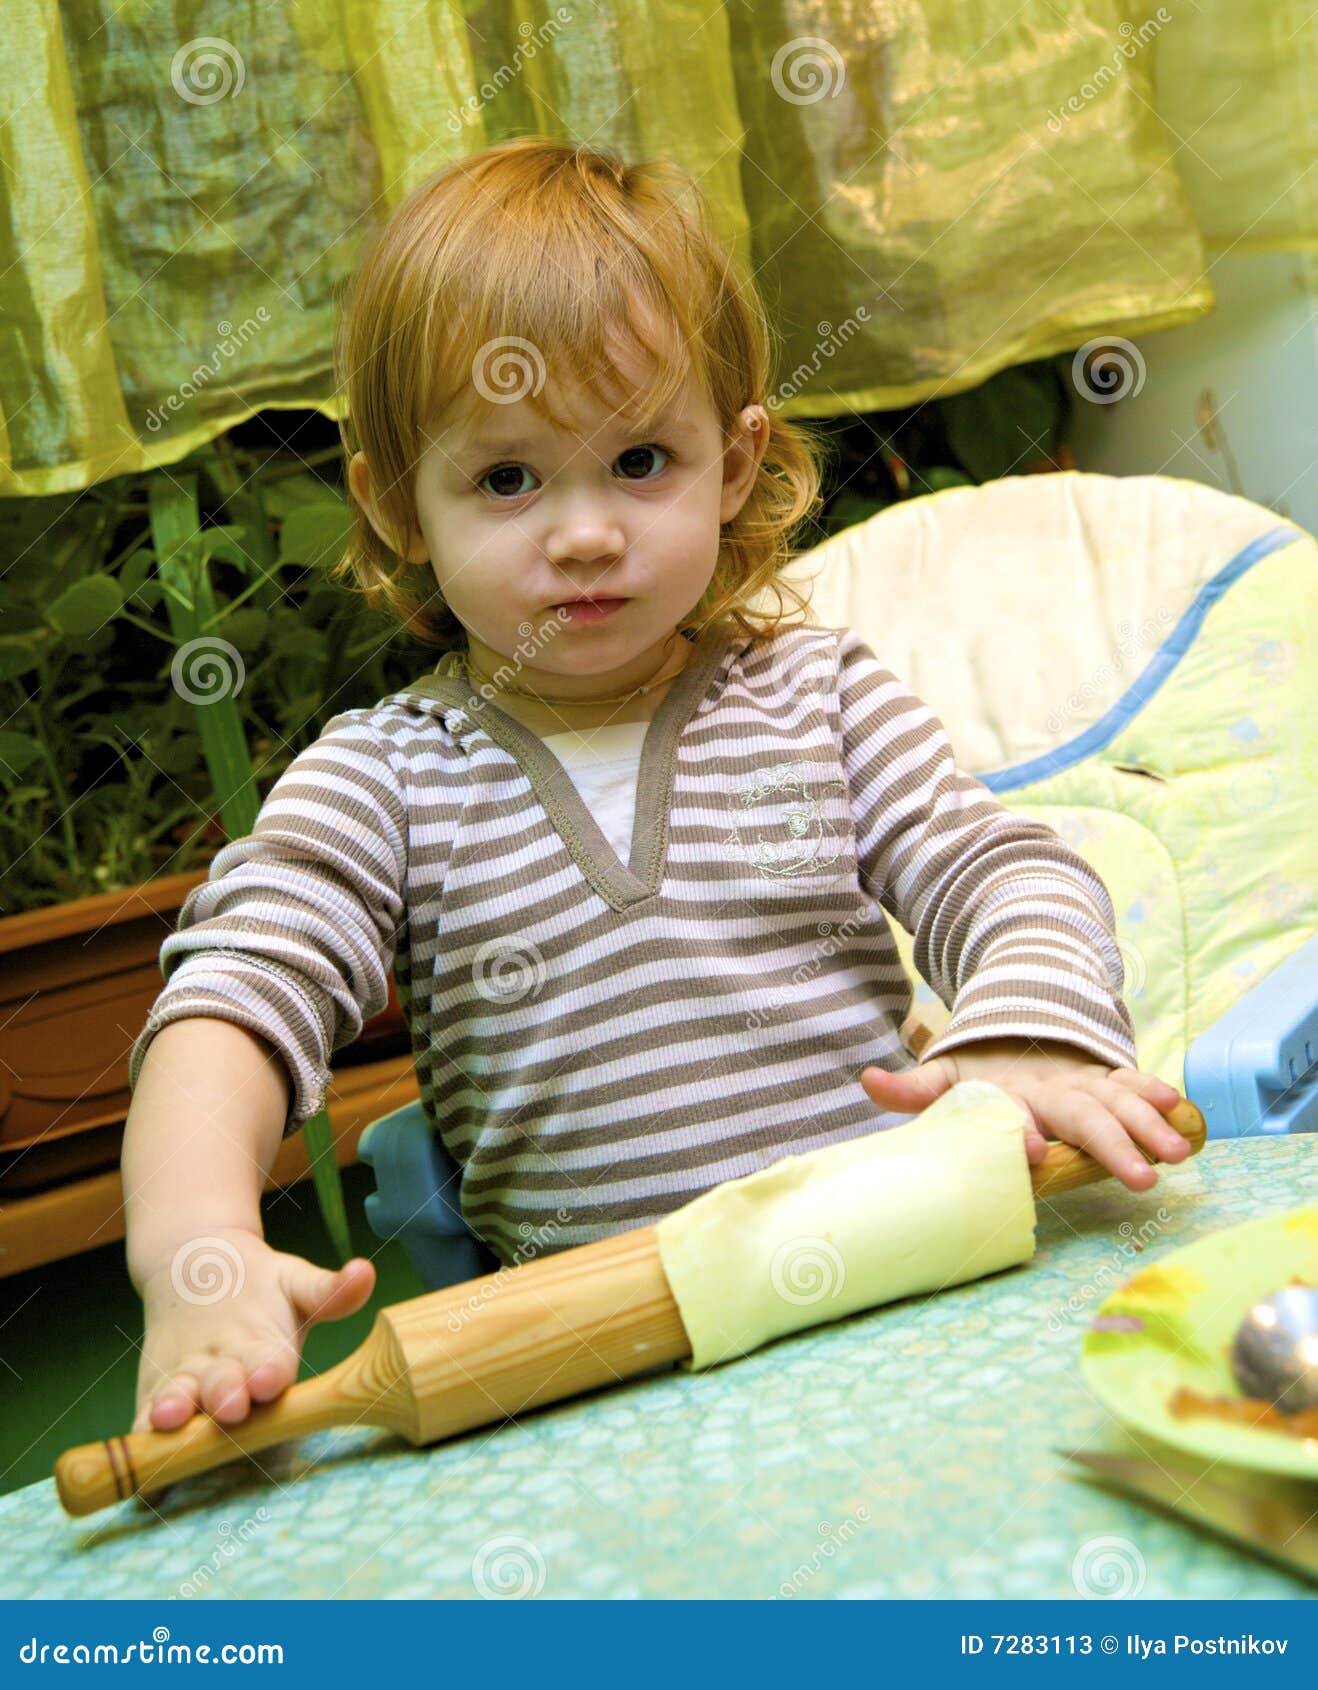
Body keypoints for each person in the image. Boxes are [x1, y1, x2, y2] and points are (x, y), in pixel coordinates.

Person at [123, 137, 1190, 1437]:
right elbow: (229, 1003)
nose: (584, 530)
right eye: (506, 477)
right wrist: (197, 1253)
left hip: (912, 1296)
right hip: (601, 1385)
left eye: (641, 462)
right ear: (399, 504)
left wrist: (1027, 1026)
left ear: (733, 463)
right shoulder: (381, 782)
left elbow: (999, 868)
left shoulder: (821, 701)